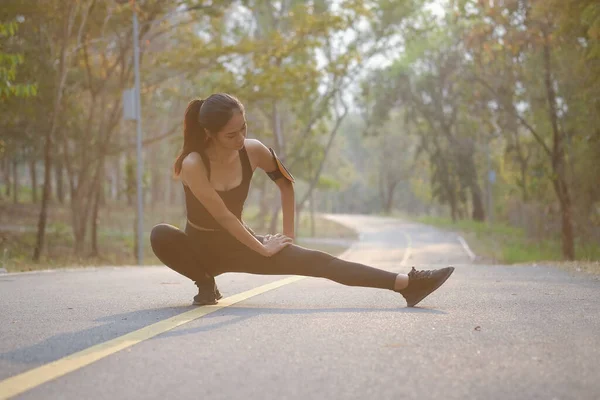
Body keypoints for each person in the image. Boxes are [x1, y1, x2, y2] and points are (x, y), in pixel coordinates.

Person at [150, 93, 454, 307]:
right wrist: (263, 247)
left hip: (241, 245)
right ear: (210, 134)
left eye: (244, 128)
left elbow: (286, 183)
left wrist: (288, 237)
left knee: (319, 261)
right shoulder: (193, 163)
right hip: (201, 250)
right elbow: (223, 217)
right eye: (231, 135)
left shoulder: (253, 150)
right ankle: (206, 284)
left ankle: (408, 285)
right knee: (161, 234)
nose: (241, 138)